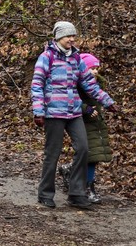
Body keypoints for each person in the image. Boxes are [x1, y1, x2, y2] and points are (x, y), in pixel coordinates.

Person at [31, 21, 117, 209]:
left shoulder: (76, 58)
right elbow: (37, 84)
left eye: (73, 36)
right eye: (68, 36)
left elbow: (89, 84)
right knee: (52, 154)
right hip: (53, 112)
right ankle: (45, 193)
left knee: (84, 149)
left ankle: (77, 193)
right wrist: (38, 111)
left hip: (73, 111)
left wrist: (107, 101)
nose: (71, 39)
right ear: (58, 37)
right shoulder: (47, 57)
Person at [78, 53, 113, 203]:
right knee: (90, 156)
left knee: (93, 156)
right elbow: (72, 100)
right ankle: (88, 188)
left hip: (96, 124)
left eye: (97, 68)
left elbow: (101, 98)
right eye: (92, 68)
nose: (95, 72)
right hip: (83, 122)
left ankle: (69, 170)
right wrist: (86, 108)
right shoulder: (77, 85)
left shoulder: (97, 86)